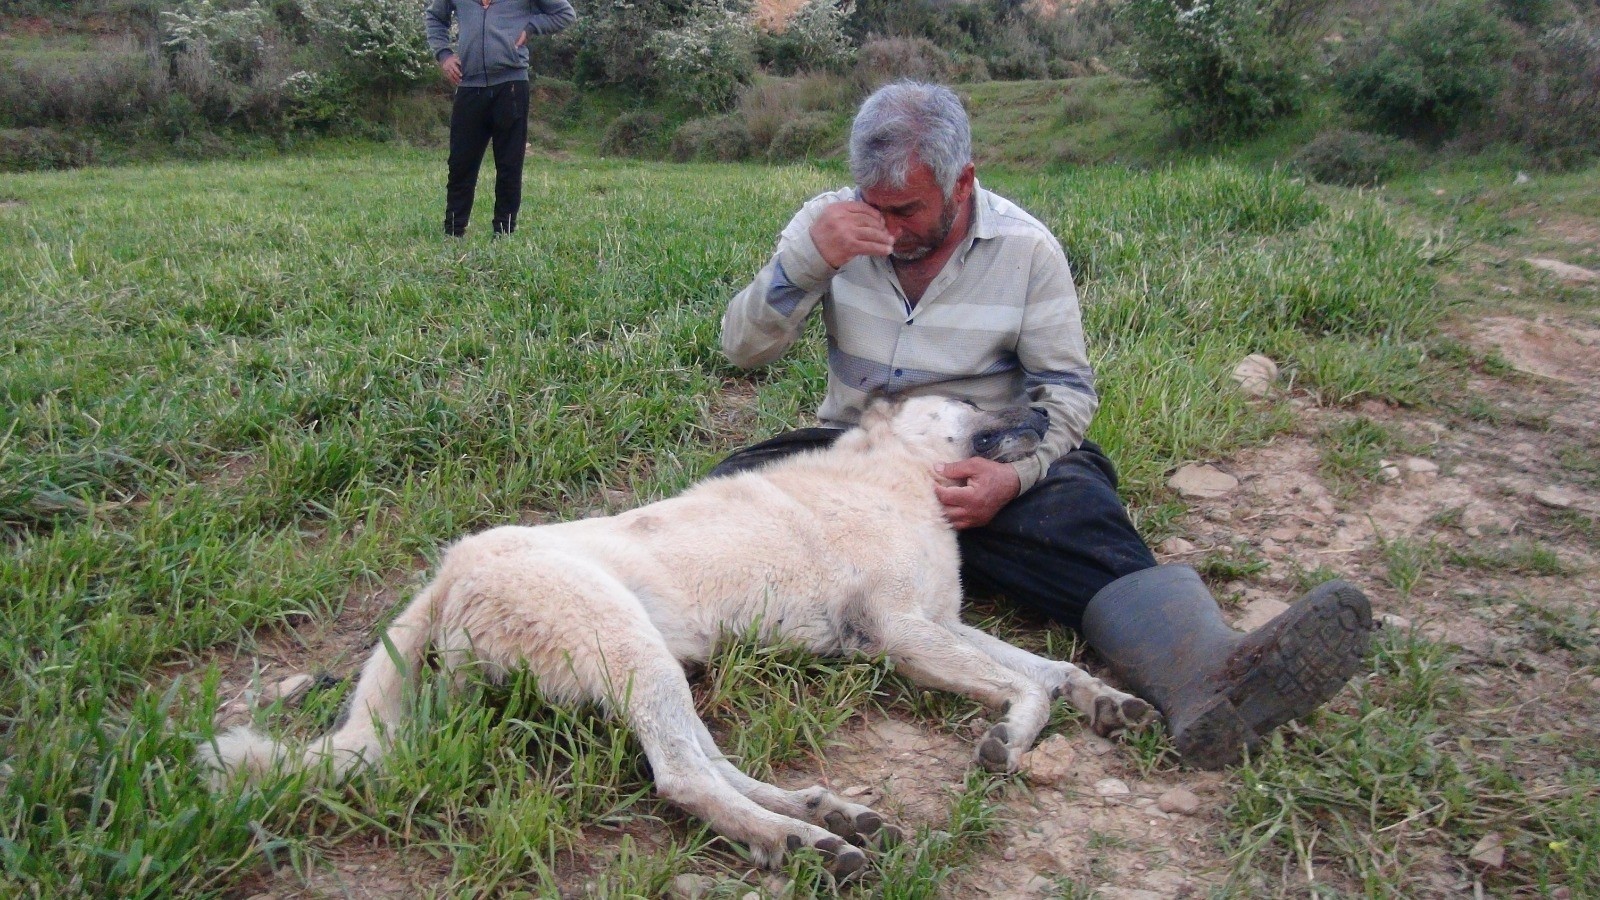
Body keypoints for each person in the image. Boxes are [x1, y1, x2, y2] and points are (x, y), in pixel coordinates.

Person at [714, 80, 1373, 769]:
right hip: (860, 457)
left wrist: (1011, 476)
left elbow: (1065, 392)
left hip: (978, 459)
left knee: (1082, 516)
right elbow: (741, 350)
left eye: (906, 209)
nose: (886, 229)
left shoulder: (1026, 250)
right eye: (870, 206)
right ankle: (828, 603)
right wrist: (806, 263)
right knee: (736, 487)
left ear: (961, 180)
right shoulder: (823, 230)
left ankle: (1210, 677)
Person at [424, 0, 576, 237]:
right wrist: (444, 54)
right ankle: (454, 232)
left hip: (511, 85)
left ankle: (503, 233)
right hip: (469, 85)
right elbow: (434, 17)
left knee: (509, 164)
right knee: (460, 164)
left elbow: (564, 13)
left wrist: (531, 26)